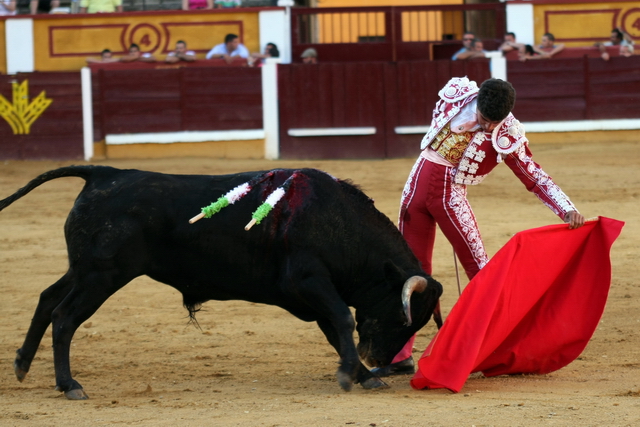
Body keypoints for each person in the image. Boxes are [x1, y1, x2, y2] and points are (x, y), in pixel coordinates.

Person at [371, 77, 585, 377]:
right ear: (477, 104)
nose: (487, 128)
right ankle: (398, 355)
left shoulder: (508, 133)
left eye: (493, 123)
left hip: (450, 196)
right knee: (409, 272)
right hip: (416, 188)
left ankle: (499, 347)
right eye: (484, 120)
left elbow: (533, 176)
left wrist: (566, 207)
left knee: (481, 272)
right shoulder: (456, 95)